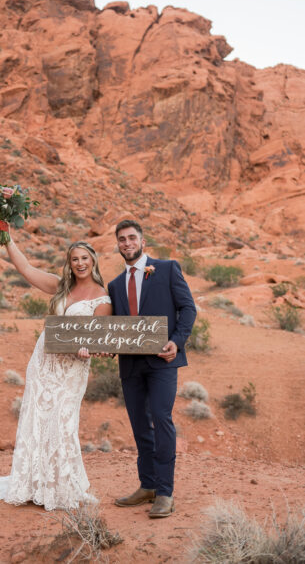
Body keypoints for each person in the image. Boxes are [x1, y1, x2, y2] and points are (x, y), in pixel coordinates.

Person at [0, 231, 112, 511]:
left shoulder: (103, 298)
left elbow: (97, 338)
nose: (79, 263)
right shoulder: (62, 287)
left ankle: (60, 487)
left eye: (84, 258)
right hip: (44, 363)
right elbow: (25, 269)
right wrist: (7, 237)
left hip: (72, 368)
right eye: (74, 259)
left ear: (93, 261)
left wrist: (88, 348)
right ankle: (33, 484)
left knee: (62, 423)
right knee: (37, 419)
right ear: (69, 263)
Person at [108, 219, 196, 518]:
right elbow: (115, 327)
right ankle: (147, 485)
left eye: (132, 238)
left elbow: (188, 308)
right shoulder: (115, 285)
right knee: (139, 425)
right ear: (118, 244)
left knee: (161, 419)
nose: (127, 243)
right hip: (131, 364)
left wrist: (177, 341)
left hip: (162, 361)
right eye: (122, 239)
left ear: (142, 241)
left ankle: (165, 492)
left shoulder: (168, 269)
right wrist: (107, 344)